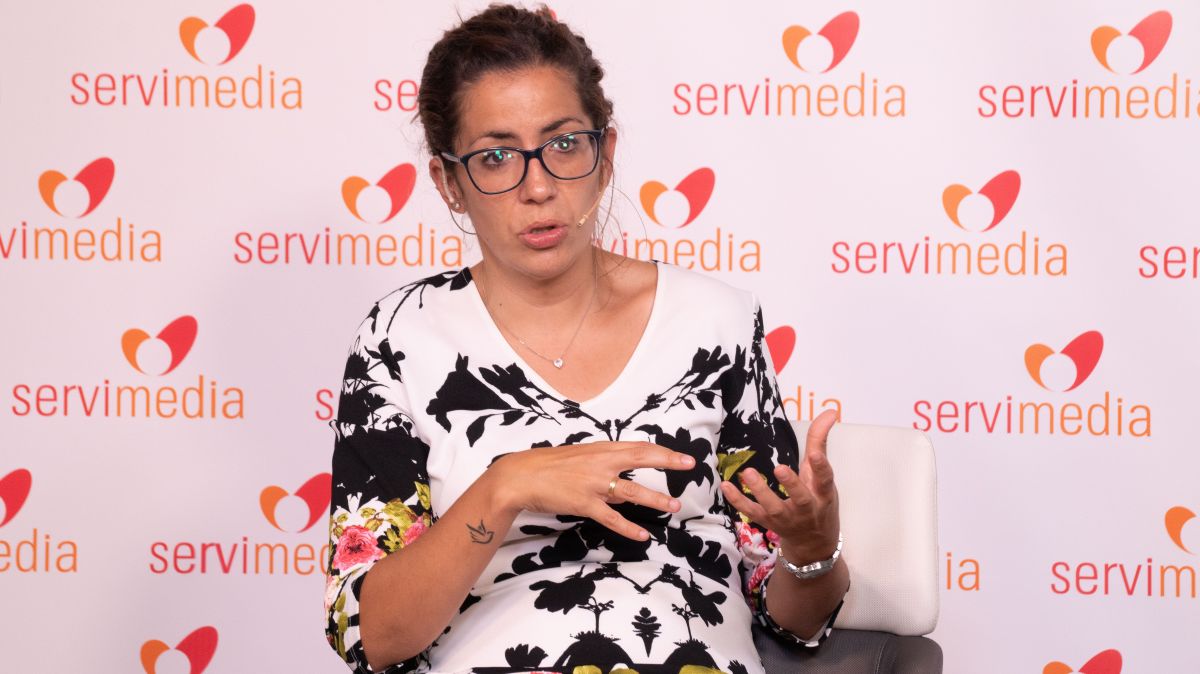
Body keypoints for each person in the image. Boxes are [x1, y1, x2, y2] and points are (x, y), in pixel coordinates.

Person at [323, 5, 850, 674]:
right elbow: (374, 636)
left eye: (565, 144)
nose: (539, 187)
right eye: (495, 157)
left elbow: (793, 621)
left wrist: (813, 552)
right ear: (450, 183)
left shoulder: (717, 323)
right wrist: (505, 487)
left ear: (605, 156)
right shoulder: (399, 338)